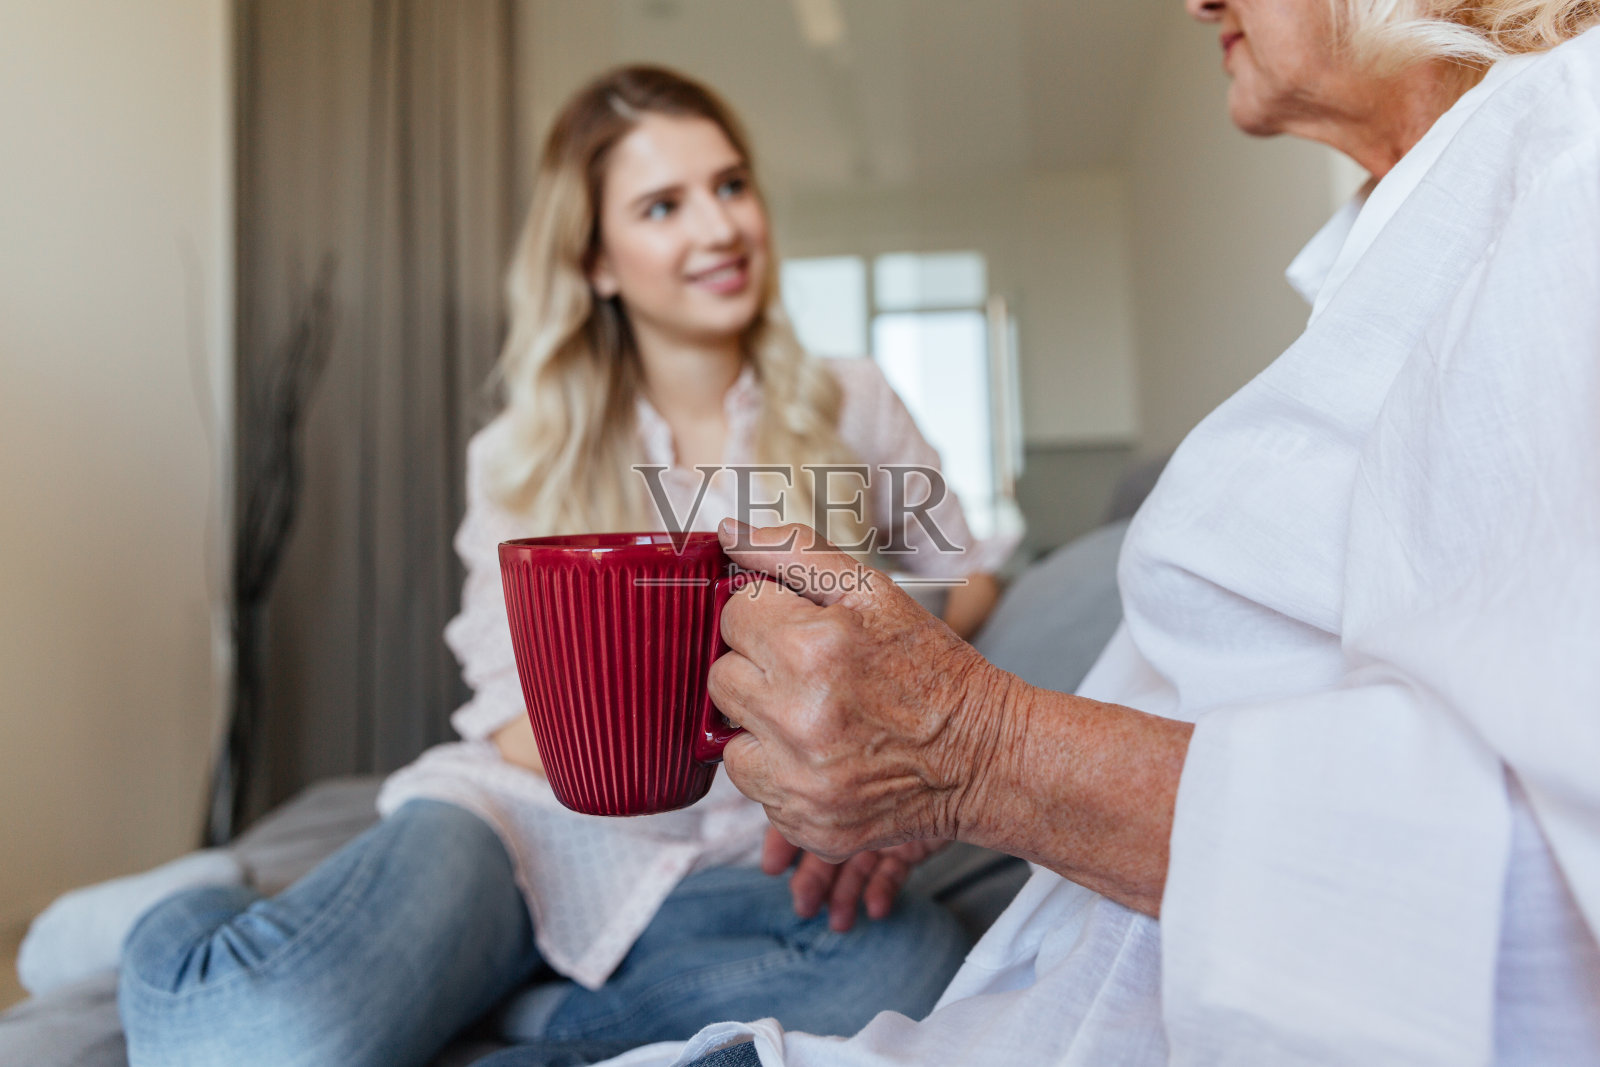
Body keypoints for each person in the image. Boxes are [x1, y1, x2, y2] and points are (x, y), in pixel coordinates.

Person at [546, 4, 1600, 1066]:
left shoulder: (1574, 164)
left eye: (728, 187)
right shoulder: (1412, 248)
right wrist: (961, 775)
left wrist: (981, 749)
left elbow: (1541, 890)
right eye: (661, 205)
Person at [111, 66, 1013, 1067]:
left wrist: (865, 691)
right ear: (594, 261)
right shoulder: (520, 451)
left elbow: (961, 574)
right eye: (662, 206)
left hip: (737, 857)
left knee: (908, 964)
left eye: (730, 185)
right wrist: (737, 718)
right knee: (238, 1034)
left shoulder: (856, 400)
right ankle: (196, 899)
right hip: (525, 828)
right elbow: (510, 711)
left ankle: (527, 1019)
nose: (717, 229)